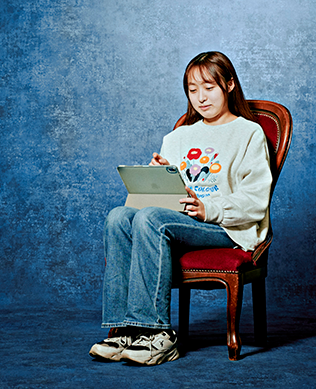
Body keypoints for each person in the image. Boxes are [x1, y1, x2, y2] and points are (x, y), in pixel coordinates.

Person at [89, 51, 272, 366]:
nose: (201, 98)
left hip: (225, 227)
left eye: (209, 88)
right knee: (118, 216)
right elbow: (170, 198)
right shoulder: (177, 137)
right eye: (192, 89)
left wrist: (207, 209)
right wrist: (157, 180)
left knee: (151, 219)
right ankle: (124, 331)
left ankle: (156, 333)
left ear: (229, 85)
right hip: (178, 221)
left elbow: (255, 201)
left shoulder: (249, 133)